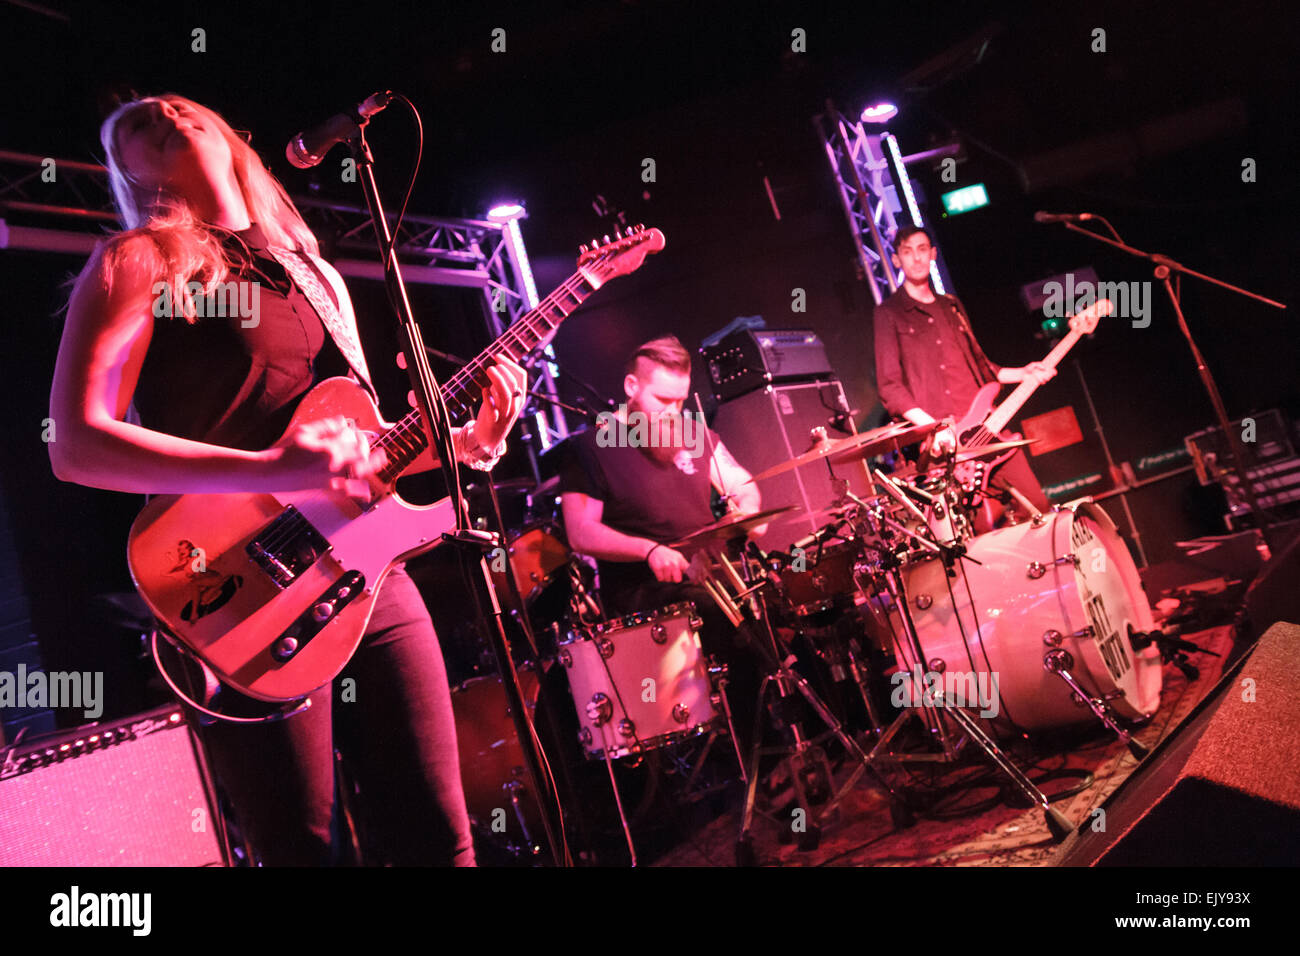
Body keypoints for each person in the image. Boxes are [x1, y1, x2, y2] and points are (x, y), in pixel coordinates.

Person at [48, 94, 528, 866]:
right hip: (238, 587)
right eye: (134, 124)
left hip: (372, 579)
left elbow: (367, 453)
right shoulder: (136, 261)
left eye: (178, 104)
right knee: (301, 848)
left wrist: (467, 443)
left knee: (440, 836)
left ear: (234, 137)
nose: (162, 110)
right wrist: (270, 468)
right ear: (129, 174)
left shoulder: (315, 275)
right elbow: (75, 445)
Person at [559, 335, 765, 751]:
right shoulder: (592, 446)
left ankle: (801, 742)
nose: (673, 412)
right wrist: (648, 550)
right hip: (646, 593)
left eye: (680, 401)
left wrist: (744, 512)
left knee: (782, 599)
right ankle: (753, 751)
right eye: (662, 400)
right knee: (726, 621)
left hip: (713, 577)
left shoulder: (693, 434)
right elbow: (580, 532)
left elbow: (744, 487)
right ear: (632, 388)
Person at [872, 225, 1093, 517]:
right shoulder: (888, 314)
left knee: (1037, 509)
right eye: (907, 252)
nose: (916, 258)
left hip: (991, 430)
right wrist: (933, 428)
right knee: (980, 533)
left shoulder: (951, 305)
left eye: (922, 249)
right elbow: (890, 388)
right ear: (896, 259)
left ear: (933, 254)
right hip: (946, 448)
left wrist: (1024, 372)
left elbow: (983, 367)